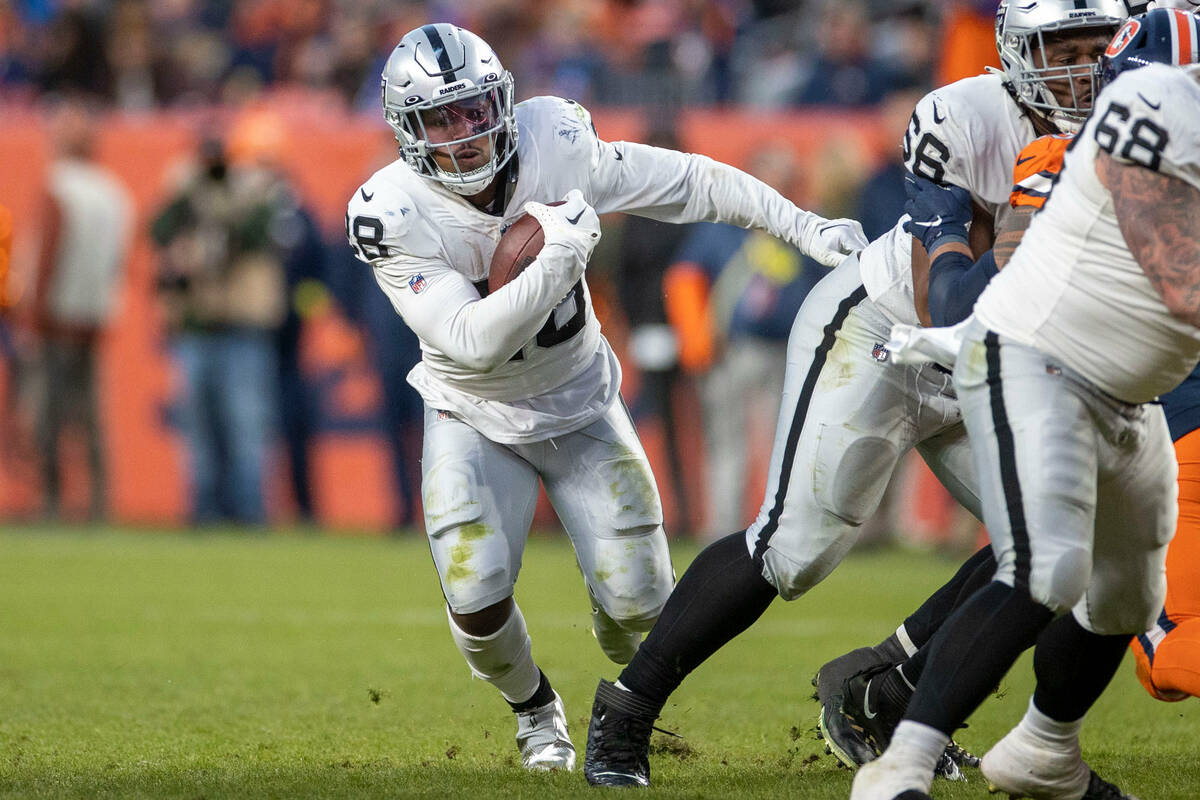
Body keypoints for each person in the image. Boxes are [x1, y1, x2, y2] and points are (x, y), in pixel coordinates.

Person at [583, 0, 1128, 787]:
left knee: (1057, 548)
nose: (1079, 68)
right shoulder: (963, 116)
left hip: (1002, 357)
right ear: (1013, 50)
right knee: (790, 550)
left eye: (1092, 45)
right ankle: (627, 710)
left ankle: (889, 687)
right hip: (886, 331)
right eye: (1057, 47)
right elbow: (950, 300)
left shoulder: (1139, 117)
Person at [344, 23, 866, 773]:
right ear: (405, 130)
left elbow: (692, 183)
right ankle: (535, 714)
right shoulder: (391, 211)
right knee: (477, 591)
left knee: (640, 612)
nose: (466, 133)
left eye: (477, 108)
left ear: (505, 100)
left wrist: (806, 227)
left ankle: (618, 682)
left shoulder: (554, 141)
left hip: (581, 401)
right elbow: (470, 339)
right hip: (472, 410)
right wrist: (561, 253)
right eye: (441, 118)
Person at [819, 7, 1200, 776]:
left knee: (1082, 574)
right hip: (1057, 381)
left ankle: (945, 713)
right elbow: (962, 303)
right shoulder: (1066, 165)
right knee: (1069, 577)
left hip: (1137, 400)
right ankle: (905, 757)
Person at [663, 145, 830, 540]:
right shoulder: (722, 225)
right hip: (731, 351)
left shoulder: (800, 224)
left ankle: (782, 530)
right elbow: (685, 278)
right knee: (728, 444)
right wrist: (698, 340)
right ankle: (723, 532)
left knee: (781, 447)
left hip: (787, 353)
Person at [151, 136, 290, 527]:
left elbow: (250, 235)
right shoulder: (189, 198)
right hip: (197, 326)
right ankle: (204, 511)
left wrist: (229, 200)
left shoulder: (255, 195)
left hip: (243, 327)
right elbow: (157, 230)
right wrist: (187, 193)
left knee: (246, 426)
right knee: (198, 428)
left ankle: (249, 512)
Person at [32, 96, 132, 522]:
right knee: (91, 416)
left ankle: (53, 502)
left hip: (56, 319)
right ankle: (98, 503)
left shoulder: (58, 186)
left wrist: (33, 313)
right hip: (95, 316)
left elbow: (48, 255)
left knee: (48, 415)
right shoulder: (114, 192)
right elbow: (120, 261)